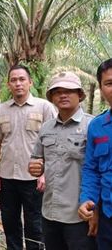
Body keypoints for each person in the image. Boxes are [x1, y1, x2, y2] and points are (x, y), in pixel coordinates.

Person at [0, 64, 56, 250]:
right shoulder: (1, 110)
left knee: (34, 224)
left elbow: (53, 142)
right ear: (8, 84)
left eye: (22, 79)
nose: (18, 83)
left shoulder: (45, 107)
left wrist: (45, 173)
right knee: (10, 223)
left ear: (30, 82)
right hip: (7, 177)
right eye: (13, 80)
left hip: (34, 178)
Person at [28, 71, 96, 250]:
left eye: (69, 90)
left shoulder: (92, 126)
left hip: (79, 215)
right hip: (50, 212)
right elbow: (36, 160)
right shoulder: (46, 128)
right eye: (57, 91)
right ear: (51, 97)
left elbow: (100, 170)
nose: (63, 95)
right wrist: (35, 167)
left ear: (80, 95)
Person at [78, 59, 112, 250]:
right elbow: (91, 169)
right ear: (100, 87)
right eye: (109, 83)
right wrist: (87, 201)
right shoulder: (97, 127)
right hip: (108, 217)